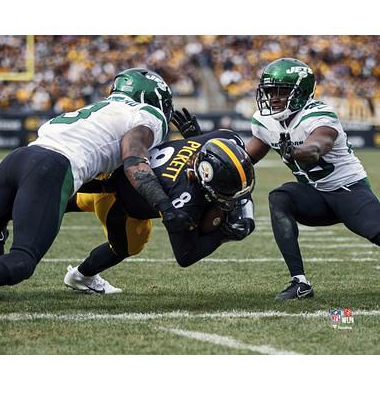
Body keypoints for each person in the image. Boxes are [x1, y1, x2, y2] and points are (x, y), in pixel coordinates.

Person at [0, 68, 196, 297]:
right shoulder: (148, 115)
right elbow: (134, 161)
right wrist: (166, 208)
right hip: (51, 168)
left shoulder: (103, 109)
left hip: (18, 159)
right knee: (22, 261)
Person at [63, 118, 256, 294]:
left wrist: (195, 138)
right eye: (225, 188)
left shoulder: (225, 140)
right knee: (129, 245)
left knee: (64, 201)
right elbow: (185, 255)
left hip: (114, 173)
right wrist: (224, 234)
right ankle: (81, 277)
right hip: (117, 201)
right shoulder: (184, 196)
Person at [245, 57, 380, 300]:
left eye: (281, 91)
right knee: (280, 197)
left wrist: (295, 152)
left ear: (301, 93)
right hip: (314, 195)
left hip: (348, 191)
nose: (273, 97)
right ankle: (300, 282)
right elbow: (244, 160)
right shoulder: (265, 121)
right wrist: (208, 148)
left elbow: (317, 147)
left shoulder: (318, 115)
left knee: (376, 232)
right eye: (269, 91)